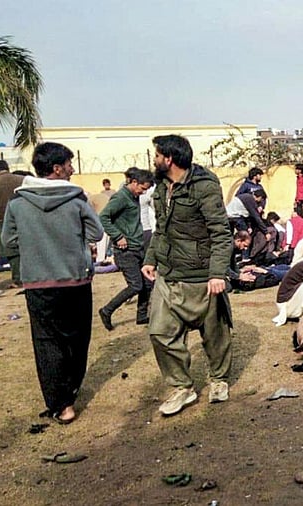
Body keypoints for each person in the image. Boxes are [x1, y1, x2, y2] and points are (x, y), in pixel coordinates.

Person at [2, 142, 105, 424]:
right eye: (70, 164)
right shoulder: (77, 200)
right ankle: (71, 387)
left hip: (38, 284)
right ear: (58, 168)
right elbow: (96, 232)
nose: (73, 169)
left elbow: (7, 243)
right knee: (77, 337)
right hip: (76, 280)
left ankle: (62, 405)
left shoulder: (18, 204)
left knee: (47, 341)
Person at [142, 134, 234, 417]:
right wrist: (151, 258)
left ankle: (219, 380)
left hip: (202, 275)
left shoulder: (204, 187)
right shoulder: (161, 188)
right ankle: (182, 386)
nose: (153, 160)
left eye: (157, 155)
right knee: (159, 332)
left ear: (168, 159)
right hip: (169, 275)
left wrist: (217, 273)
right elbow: (161, 229)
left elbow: (221, 233)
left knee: (214, 335)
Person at [98, 168, 155, 330]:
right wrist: (117, 236)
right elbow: (103, 217)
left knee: (147, 283)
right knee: (136, 285)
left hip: (138, 246)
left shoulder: (133, 196)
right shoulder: (121, 197)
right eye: (142, 188)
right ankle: (107, 310)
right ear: (134, 182)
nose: (143, 193)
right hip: (125, 251)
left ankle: (142, 315)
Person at [0, 159, 24, 287]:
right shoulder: (22, 179)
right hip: (24, 218)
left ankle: (18, 279)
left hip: (4, 221)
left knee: (10, 250)